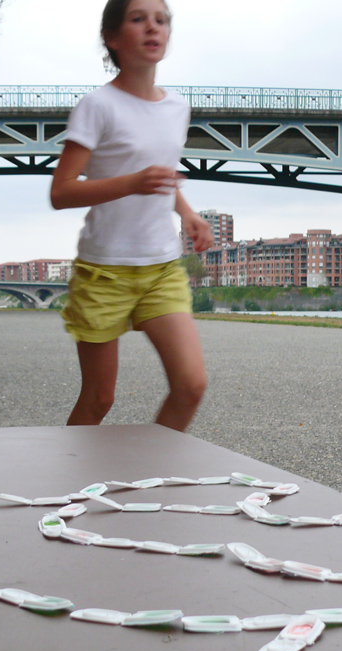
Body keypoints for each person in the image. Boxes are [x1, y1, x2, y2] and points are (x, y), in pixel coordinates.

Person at [49, 0, 212, 431]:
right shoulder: (97, 106)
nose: (152, 28)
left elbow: (161, 178)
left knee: (191, 385)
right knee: (99, 399)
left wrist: (188, 213)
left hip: (161, 267)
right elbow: (61, 192)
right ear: (112, 37)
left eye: (161, 20)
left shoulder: (177, 108)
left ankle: (150, 467)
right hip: (104, 270)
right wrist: (131, 183)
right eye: (138, 19)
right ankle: (67, 473)